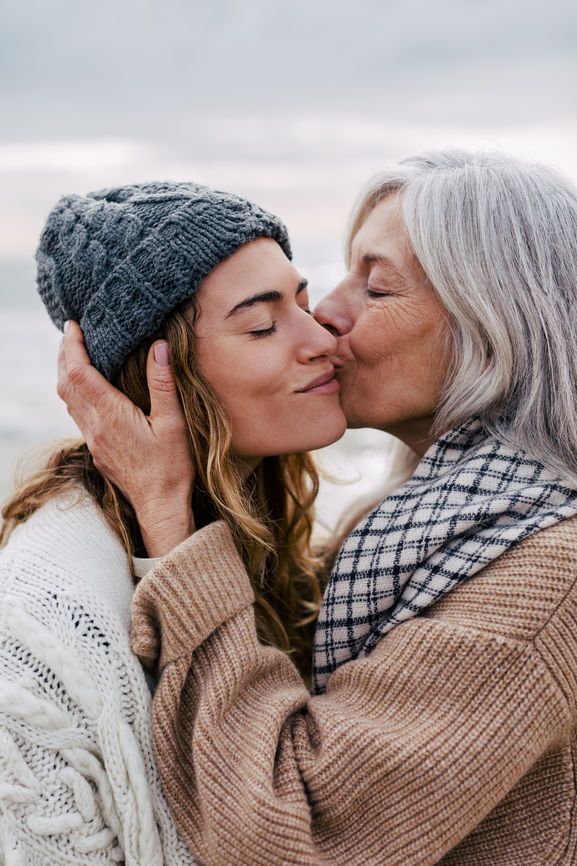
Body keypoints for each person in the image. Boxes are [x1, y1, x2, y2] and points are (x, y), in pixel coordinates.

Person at [59, 149, 577, 866]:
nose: (328, 315)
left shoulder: (544, 581)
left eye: (377, 288)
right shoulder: (414, 524)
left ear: (494, 323)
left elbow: (290, 830)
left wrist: (170, 519)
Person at [0, 181, 347, 865]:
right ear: (162, 373)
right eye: (261, 324)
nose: (321, 338)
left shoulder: (264, 533)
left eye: (303, 303)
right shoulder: (42, 630)